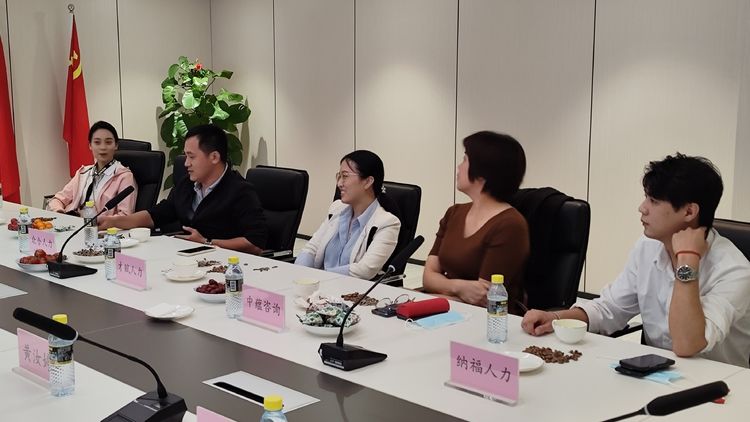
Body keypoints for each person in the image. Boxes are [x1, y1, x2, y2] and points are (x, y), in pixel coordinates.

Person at [522, 153, 750, 368]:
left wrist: (688, 259)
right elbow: (610, 309)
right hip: (657, 374)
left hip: (720, 386)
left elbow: (686, 344)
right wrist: (555, 318)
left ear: (689, 212)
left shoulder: (734, 271)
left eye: (654, 201)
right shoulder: (648, 246)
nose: (642, 208)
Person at [98, 124, 268, 255]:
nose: (186, 163)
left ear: (214, 157)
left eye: (191, 157)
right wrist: (113, 222)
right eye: (186, 156)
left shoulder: (240, 191)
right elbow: (157, 214)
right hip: (189, 260)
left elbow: (255, 244)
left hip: (227, 266)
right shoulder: (187, 184)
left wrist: (207, 242)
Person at [422, 131, 529, 314]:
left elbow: (482, 298)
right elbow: (428, 277)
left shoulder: (510, 225)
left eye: (465, 160)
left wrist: (440, 289)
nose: (459, 166)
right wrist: (459, 287)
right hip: (447, 307)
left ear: (482, 173)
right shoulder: (454, 213)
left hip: (486, 319)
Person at [295, 150, 401, 280]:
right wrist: (299, 274)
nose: (339, 183)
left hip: (349, 289)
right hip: (317, 285)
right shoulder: (336, 208)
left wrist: (320, 278)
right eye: (338, 176)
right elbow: (311, 249)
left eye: (345, 176)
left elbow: (365, 270)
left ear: (368, 181)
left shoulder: (387, 223)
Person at [47, 121, 136, 216]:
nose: (103, 147)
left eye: (108, 142)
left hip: (101, 225)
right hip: (73, 222)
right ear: (90, 145)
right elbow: (58, 199)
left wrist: (97, 222)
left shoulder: (124, 177)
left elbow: (125, 215)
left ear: (116, 145)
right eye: (97, 142)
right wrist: (59, 212)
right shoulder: (83, 173)